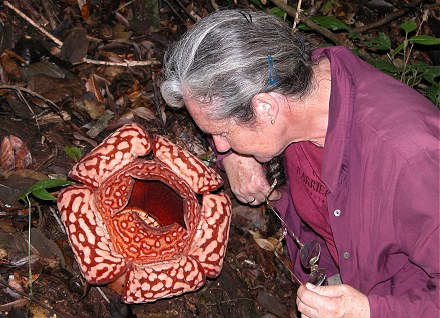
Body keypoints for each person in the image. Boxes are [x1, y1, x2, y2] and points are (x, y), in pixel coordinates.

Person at [160, 8, 439, 317]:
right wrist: (234, 156)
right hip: (332, 264)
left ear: (267, 108)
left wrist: (368, 311)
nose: (219, 146)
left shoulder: (412, 163)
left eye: (222, 133)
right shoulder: (294, 77)